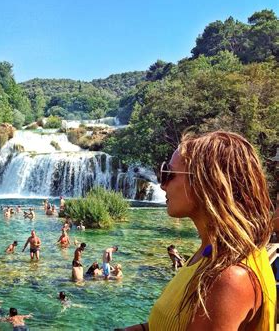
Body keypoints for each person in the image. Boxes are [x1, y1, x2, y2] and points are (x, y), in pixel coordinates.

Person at [119, 131, 277, 330]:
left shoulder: (230, 278)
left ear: (207, 183)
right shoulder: (209, 252)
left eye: (168, 173)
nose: (162, 184)